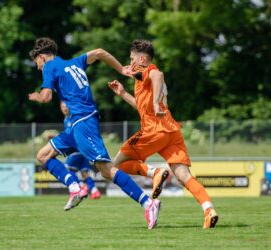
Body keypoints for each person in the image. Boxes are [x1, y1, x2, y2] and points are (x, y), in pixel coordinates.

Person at [28, 37, 160, 229]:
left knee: (106, 170)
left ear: (41, 57)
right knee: (43, 155)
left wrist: (36, 96)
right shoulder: (74, 62)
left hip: (83, 121)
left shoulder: (49, 67)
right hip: (76, 124)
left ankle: (149, 203)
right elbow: (99, 52)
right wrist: (121, 69)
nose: (39, 68)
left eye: (37, 64)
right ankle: (75, 188)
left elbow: (47, 97)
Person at [108, 39, 219, 229]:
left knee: (114, 165)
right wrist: (123, 94)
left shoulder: (148, 70)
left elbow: (158, 75)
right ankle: (209, 210)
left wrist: (155, 103)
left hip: (154, 130)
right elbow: (142, 108)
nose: (130, 62)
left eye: (132, 58)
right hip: (171, 131)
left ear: (142, 58)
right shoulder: (141, 78)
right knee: (184, 175)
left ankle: (155, 172)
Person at [60, 101, 102, 199]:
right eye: (62, 107)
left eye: (66, 106)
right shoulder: (66, 119)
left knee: (66, 169)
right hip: (83, 151)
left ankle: (81, 187)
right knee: (85, 173)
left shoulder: (73, 118)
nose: (64, 109)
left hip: (76, 150)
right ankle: (95, 191)